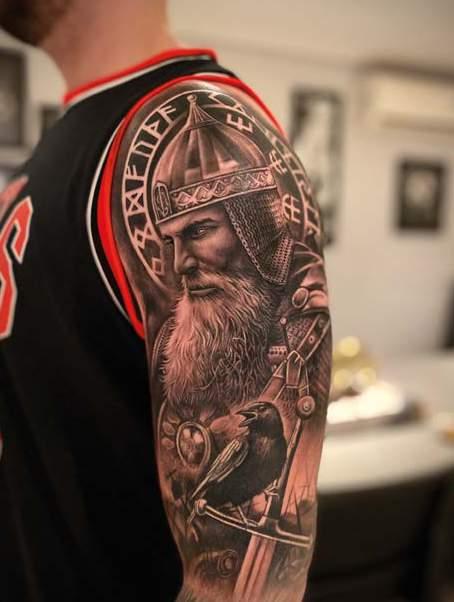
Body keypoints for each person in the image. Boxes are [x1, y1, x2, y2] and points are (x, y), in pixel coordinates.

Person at [0, 1, 331, 601]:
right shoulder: (61, 149)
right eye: (173, 240)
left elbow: (252, 591)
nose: (180, 263)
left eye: (200, 230)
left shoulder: (183, 113)